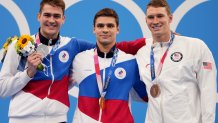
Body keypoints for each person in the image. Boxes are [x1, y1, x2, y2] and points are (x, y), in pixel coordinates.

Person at [0, 0, 147, 123]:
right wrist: (28, 73)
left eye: (57, 16)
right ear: (38, 16)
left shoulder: (73, 45)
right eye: (47, 15)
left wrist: (150, 41)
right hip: (22, 118)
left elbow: (106, 47)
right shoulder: (18, 46)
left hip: (57, 119)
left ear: (63, 19)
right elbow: (2, 89)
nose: (51, 20)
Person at [136, 0, 217, 123]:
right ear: (146, 20)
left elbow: (208, 90)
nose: (155, 21)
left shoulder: (196, 47)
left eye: (160, 16)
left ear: (170, 18)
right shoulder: (141, 52)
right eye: (151, 17)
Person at [71, 8, 148, 123]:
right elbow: (58, 84)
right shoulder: (79, 59)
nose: (105, 30)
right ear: (94, 29)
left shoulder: (131, 62)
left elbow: (146, 95)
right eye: (100, 26)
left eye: (110, 26)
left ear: (118, 29)